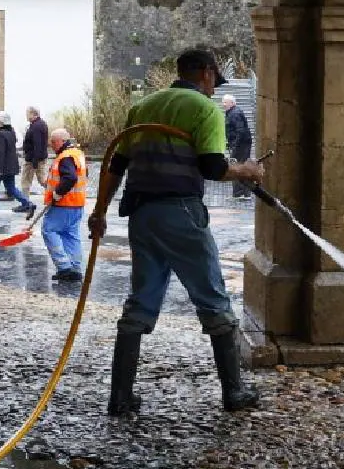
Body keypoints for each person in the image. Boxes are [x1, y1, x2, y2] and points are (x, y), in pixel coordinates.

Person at [89, 49, 266, 416]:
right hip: (182, 212)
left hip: (141, 213)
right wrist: (247, 170)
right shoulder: (205, 110)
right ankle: (234, 393)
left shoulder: (144, 107)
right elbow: (214, 168)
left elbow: (117, 164)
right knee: (214, 299)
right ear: (204, 73)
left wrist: (99, 211)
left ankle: (120, 398)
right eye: (214, 82)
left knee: (141, 300)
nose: (214, 91)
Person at [39, 127, 87, 282]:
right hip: (77, 204)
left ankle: (64, 266)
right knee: (71, 236)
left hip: (63, 204)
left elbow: (70, 178)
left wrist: (57, 193)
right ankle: (75, 269)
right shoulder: (77, 154)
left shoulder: (65, 157)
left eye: (53, 142)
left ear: (62, 141)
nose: (51, 145)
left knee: (49, 230)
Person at [0, 111, 35, 221]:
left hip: (1, 166)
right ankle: (28, 203)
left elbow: (0, 152)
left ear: (0, 122)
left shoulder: (0, 134)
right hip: (11, 165)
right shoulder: (11, 131)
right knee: (11, 188)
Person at [220, 94, 253, 200]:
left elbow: (240, 131)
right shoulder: (232, 112)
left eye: (225, 102)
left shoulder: (235, 114)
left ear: (232, 103)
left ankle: (239, 193)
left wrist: (235, 145)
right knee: (241, 167)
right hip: (241, 144)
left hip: (241, 145)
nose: (223, 104)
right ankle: (243, 193)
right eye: (223, 101)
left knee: (237, 167)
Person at [20, 107, 51, 198]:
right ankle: (55, 194)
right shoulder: (38, 124)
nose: (26, 115)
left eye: (27, 113)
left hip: (33, 159)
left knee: (26, 181)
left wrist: (34, 162)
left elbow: (37, 144)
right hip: (37, 158)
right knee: (42, 179)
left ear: (34, 114)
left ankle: (25, 203)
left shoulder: (37, 126)